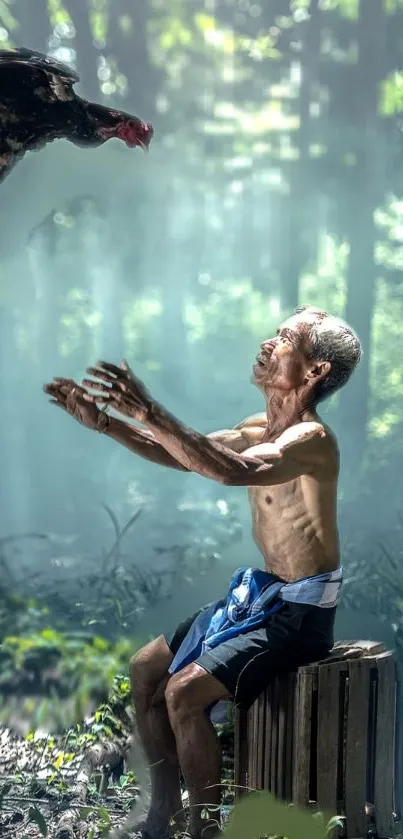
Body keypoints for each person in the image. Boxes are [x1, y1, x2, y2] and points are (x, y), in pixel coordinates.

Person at [44, 305, 362, 839]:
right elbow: (186, 455)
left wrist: (148, 409)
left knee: (183, 693)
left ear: (314, 372)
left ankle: (204, 829)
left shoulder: (312, 441)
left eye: (286, 338)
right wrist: (108, 424)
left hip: (299, 615)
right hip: (263, 597)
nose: (269, 341)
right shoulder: (258, 427)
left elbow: (231, 471)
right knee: (147, 669)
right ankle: (162, 816)